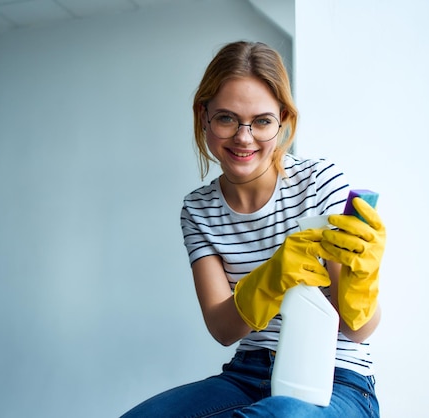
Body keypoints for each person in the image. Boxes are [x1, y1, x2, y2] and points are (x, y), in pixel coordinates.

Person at [121, 41, 385, 418]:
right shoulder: (199, 210)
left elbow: (357, 331)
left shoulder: (319, 182)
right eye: (228, 118)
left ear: (282, 120)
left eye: (261, 121)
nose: (244, 138)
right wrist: (271, 278)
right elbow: (223, 328)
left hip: (336, 379)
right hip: (248, 375)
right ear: (204, 116)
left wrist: (363, 278)